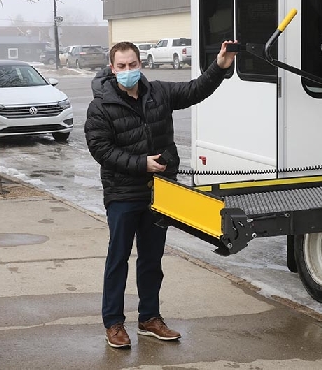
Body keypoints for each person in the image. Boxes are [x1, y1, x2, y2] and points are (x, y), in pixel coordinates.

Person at [84, 40, 237, 349]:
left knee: (152, 260)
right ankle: (113, 323)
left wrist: (220, 65)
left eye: (132, 65)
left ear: (141, 64)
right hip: (123, 195)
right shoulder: (100, 105)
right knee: (118, 258)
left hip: (159, 195)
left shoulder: (159, 92)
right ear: (112, 69)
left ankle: (149, 318)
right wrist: (141, 164)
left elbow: (196, 90)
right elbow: (100, 149)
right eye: (121, 66)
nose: (128, 71)